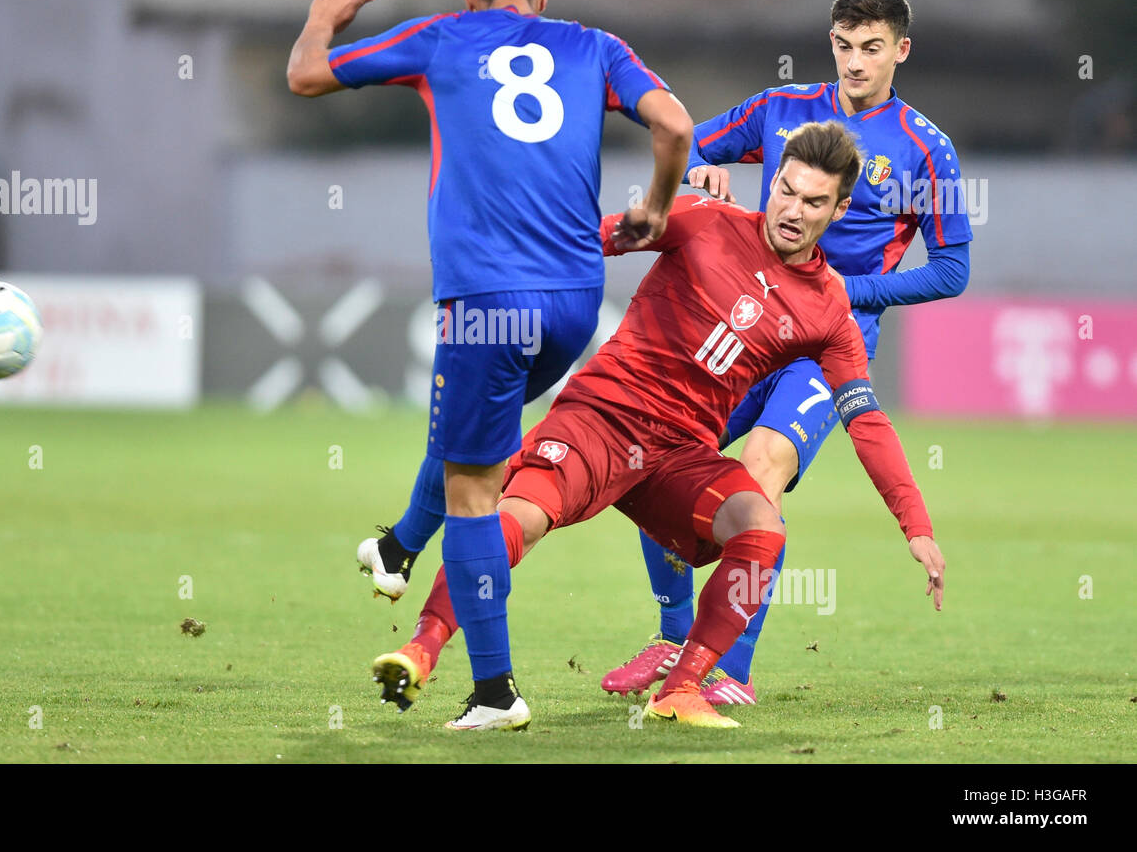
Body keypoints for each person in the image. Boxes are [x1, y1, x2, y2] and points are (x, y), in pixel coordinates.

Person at [377, 121, 946, 730]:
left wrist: (916, 524)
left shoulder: (828, 307)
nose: (792, 210)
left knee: (762, 531)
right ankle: (421, 647)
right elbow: (591, 239)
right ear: (771, 180)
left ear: (838, 210)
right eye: (785, 189)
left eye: (813, 202)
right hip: (602, 416)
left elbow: (866, 421)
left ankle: (682, 688)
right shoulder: (704, 219)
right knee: (518, 518)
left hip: (680, 453)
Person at [285, 0, 693, 696]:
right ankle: (402, 547)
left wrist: (322, 18)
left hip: (486, 301)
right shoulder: (595, 46)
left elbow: (305, 76)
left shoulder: (442, 38)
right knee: (473, 438)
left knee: (477, 486)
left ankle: (493, 693)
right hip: (575, 305)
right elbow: (674, 125)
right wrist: (658, 210)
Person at [603, 0, 971, 706]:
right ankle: (675, 634)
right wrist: (699, 167)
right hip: (747, 328)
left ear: (901, 49)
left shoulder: (928, 150)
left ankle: (729, 669)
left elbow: (952, 270)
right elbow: (685, 140)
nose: (854, 63)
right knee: (658, 456)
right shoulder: (781, 111)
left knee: (760, 469)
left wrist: (842, 294)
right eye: (842, 46)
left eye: (871, 48)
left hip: (827, 343)